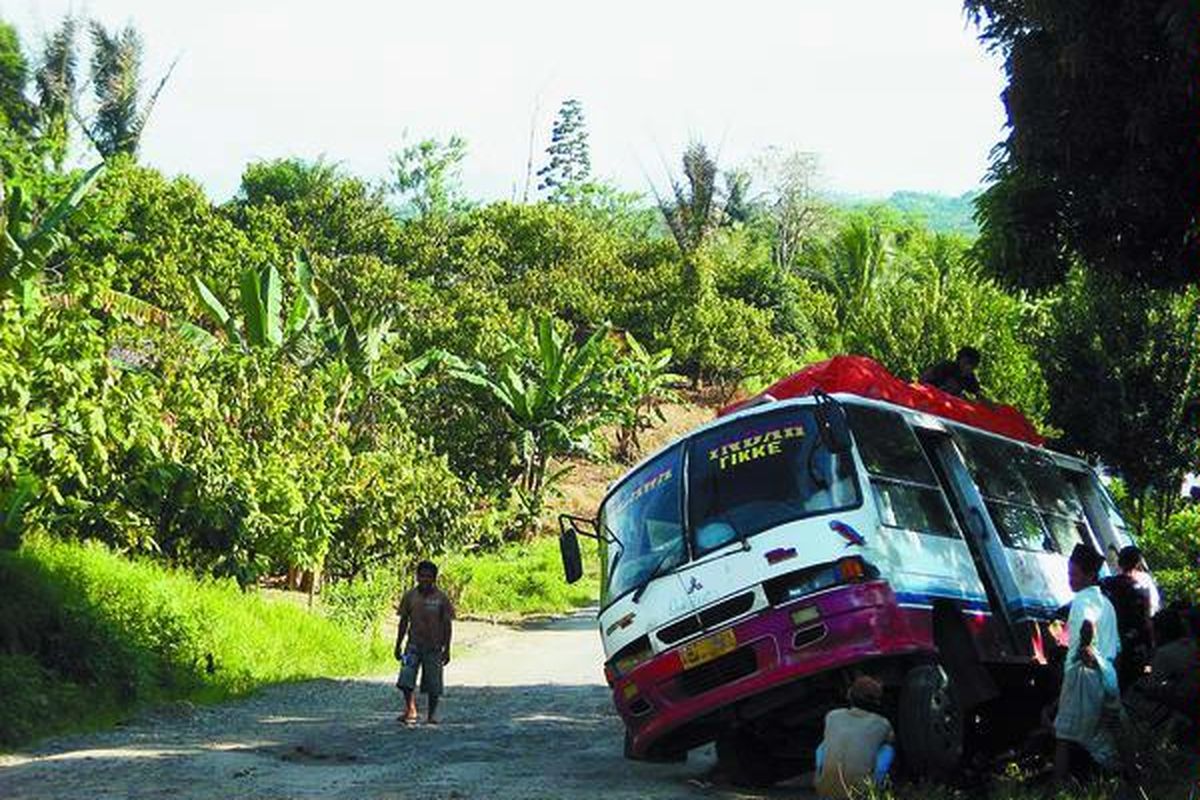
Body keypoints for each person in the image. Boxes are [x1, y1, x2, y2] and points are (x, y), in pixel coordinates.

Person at [1053, 544, 1122, 781]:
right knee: (1102, 731)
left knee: (1064, 735)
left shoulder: (1083, 600)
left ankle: (1058, 787)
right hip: (1107, 674)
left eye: (1074, 574)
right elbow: (1117, 646)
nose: (1070, 579)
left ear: (1090, 575)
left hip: (1083, 673)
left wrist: (1084, 647)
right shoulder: (1108, 604)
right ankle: (1120, 778)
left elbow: (1087, 624)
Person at [814, 675, 895, 799]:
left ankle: (823, 781)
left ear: (849, 695)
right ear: (877, 702)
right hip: (860, 795)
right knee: (888, 750)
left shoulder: (832, 716)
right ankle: (876, 788)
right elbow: (891, 740)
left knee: (822, 746)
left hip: (824, 792)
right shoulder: (883, 724)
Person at [395, 560, 454, 726]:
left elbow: (447, 624)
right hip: (412, 645)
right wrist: (398, 644)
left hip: (434, 647)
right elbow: (403, 621)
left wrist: (447, 648)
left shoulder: (442, 598)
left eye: (429, 576)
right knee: (405, 679)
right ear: (417, 577)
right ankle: (410, 709)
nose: (425, 579)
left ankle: (432, 714)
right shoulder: (410, 596)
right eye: (422, 576)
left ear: (434, 578)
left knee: (434, 683)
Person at [1100, 545, 1155, 691]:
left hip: (1108, 642)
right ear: (1137, 563)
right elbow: (1147, 621)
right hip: (1133, 645)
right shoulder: (1143, 591)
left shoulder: (1105, 585)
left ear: (1119, 562)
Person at [919, 346, 984, 399]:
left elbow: (978, 394)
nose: (968, 367)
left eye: (972, 365)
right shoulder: (946, 366)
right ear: (959, 360)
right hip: (929, 395)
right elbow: (923, 380)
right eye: (966, 363)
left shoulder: (970, 377)